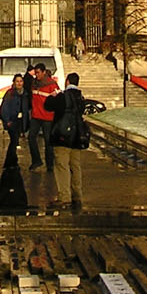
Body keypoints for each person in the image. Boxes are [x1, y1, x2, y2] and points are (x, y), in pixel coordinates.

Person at [47, 70, 89, 212]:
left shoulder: (62, 96)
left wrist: (53, 96)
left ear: (67, 82)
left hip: (63, 136)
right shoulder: (80, 97)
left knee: (62, 166)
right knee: (75, 166)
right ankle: (77, 195)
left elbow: (48, 106)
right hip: (77, 136)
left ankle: (64, 196)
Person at [0, 73, 31, 162]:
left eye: (21, 81)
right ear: (14, 82)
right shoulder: (10, 93)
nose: (19, 83)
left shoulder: (25, 94)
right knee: (14, 140)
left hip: (21, 121)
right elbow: (5, 107)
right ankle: (11, 160)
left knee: (15, 140)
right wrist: (7, 120)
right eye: (17, 81)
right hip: (12, 120)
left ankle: (12, 160)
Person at [26, 66, 56, 170]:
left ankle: (50, 164)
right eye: (35, 73)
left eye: (38, 73)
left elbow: (57, 99)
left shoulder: (51, 84)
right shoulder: (33, 84)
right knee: (31, 138)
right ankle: (36, 161)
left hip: (47, 116)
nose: (36, 75)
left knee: (48, 141)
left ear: (44, 72)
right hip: (36, 115)